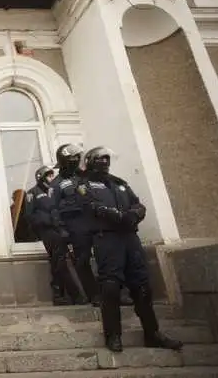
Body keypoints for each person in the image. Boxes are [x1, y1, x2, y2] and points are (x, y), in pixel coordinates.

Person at [79, 146, 183, 353]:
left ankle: (152, 333)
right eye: (100, 159)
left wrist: (134, 215)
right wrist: (118, 216)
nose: (105, 162)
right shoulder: (84, 184)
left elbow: (138, 205)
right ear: (90, 162)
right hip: (107, 239)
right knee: (110, 287)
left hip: (130, 238)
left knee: (142, 286)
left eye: (107, 158)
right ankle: (113, 335)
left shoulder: (120, 183)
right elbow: (92, 207)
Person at [24, 165, 81, 306]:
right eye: (48, 176)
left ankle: (58, 295)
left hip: (60, 229)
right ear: (41, 178)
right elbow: (29, 215)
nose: (51, 178)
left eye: (52, 175)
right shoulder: (33, 193)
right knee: (59, 261)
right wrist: (45, 221)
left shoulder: (55, 191)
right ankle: (75, 294)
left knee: (57, 262)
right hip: (47, 231)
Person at [50, 143, 96, 306]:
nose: (76, 159)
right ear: (64, 160)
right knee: (82, 261)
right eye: (72, 157)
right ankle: (94, 295)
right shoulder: (56, 184)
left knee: (107, 257)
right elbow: (53, 209)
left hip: (93, 221)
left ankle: (116, 293)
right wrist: (62, 229)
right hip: (75, 225)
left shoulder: (84, 177)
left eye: (78, 157)